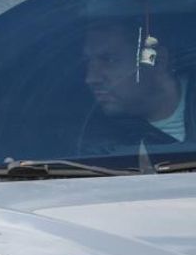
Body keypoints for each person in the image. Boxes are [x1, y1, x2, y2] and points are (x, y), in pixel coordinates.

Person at [81, 18, 195, 154]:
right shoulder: (90, 141)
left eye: (109, 60)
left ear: (157, 61)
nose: (91, 78)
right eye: (88, 62)